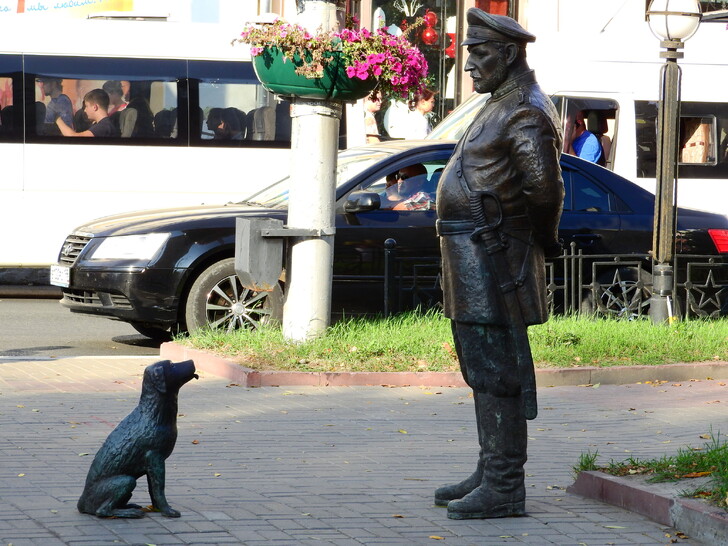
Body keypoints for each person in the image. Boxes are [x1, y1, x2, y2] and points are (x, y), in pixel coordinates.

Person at [434, 9, 564, 520]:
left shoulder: (525, 110)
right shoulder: (499, 103)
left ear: (509, 54)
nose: (470, 65)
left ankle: (506, 483)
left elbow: (544, 189)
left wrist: (529, 242)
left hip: (494, 256)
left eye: (479, 53)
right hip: (472, 252)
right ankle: (492, 468)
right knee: (481, 365)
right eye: (469, 53)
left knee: (497, 369)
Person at [55, 89, 119, 137]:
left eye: (87, 106)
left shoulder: (103, 127)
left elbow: (73, 136)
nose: (85, 110)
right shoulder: (103, 125)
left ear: (95, 107)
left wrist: (58, 120)